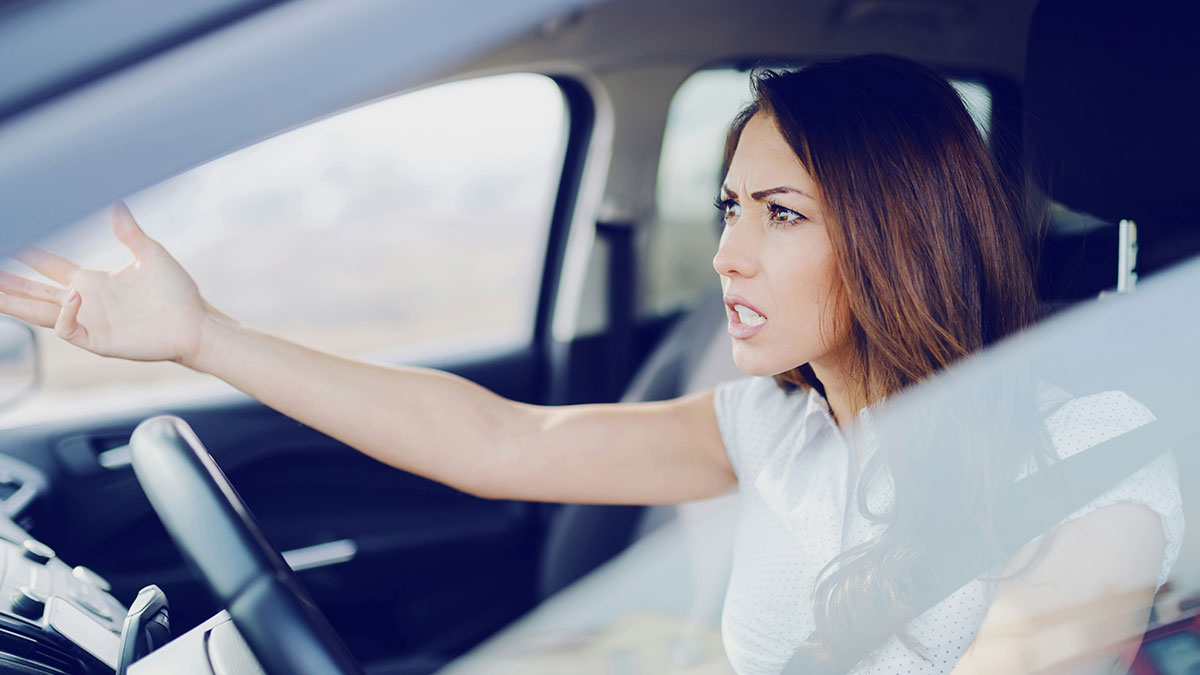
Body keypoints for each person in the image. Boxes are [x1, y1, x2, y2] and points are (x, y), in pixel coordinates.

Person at [0, 55, 1182, 674]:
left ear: (895, 232)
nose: (726, 256)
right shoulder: (781, 426)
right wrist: (206, 338)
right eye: (727, 209)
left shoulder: (1087, 457)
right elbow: (502, 442)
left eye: (780, 215)